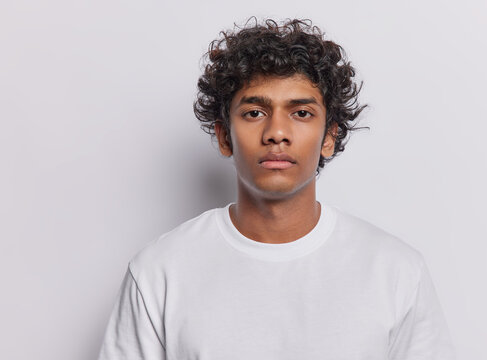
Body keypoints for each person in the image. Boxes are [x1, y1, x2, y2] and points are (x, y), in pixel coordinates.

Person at [97, 18, 456, 360]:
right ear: (225, 137)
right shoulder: (160, 272)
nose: (276, 132)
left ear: (329, 136)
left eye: (301, 113)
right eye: (254, 112)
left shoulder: (395, 271)